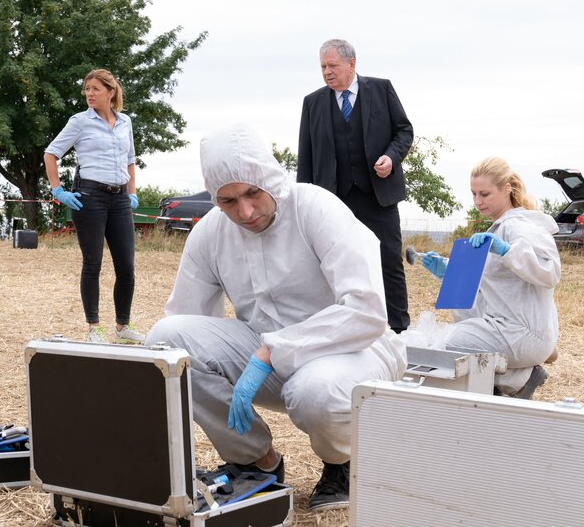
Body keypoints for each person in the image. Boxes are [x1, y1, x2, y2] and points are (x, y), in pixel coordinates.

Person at [146, 123, 406, 511]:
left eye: (252, 193)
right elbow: (186, 321)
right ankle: (255, 461)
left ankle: (341, 462)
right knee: (168, 341)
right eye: (228, 201)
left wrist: (273, 351)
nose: (245, 212)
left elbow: (365, 311)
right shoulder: (211, 232)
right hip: (265, 353)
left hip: (354, 349)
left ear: (270, 178)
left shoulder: (314, 207)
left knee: (314, 392)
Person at [297, 38, 414, 334]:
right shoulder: (312, 103)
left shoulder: (381, 88)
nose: (326, 72)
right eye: (322, 66)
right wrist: (303, 202)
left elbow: (404, 131)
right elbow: (306, 156)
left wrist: (391, 156)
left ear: (351, 64)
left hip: (378, 197)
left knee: (389, 263)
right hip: (332, 202)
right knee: (333, 269)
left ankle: (399, 331)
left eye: (332, 65)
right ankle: (342, 330)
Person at [420, 157, 561, 399]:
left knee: (437, 346)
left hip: (521, 331)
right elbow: (489, 286)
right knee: (446, 338)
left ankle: (516, 379)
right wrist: (448, 271)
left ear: (507, 188)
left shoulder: (519, 226)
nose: (477, 201)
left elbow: (550, 272)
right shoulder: (499, 228)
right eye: (473, 194)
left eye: (484, 194)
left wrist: (508, 250)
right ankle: (518, 375)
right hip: (512, 328)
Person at [44, 68, 144, 345]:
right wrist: (58, 191)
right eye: (87, 88)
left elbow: (130, 160)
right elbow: (51, 154)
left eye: (95, 89)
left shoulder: (126, 122)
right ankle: (94, 328)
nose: (89, 93)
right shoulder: (79, 122)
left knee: (126, 265)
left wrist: (132, 193)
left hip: (120, 199)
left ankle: (122, 327)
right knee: (93, 263)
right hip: (90, 198)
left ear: (110, 92)